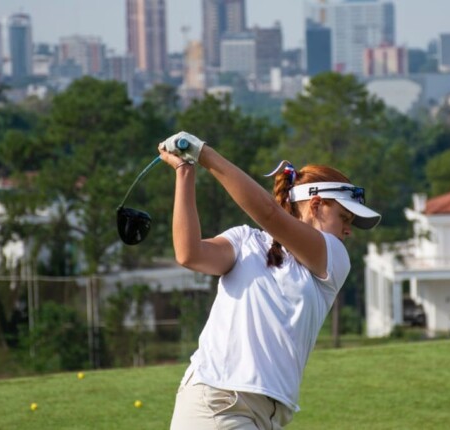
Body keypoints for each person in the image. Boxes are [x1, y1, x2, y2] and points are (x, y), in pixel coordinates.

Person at [158, 131, 381, 429]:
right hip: (217, 402)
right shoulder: (244, 241)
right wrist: (186, 170)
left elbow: (270, 215)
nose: (348, 230)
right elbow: (189, 254)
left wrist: (203, 153)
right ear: (315, 206)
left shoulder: (334, 258)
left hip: (263, 416)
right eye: (344, 217)